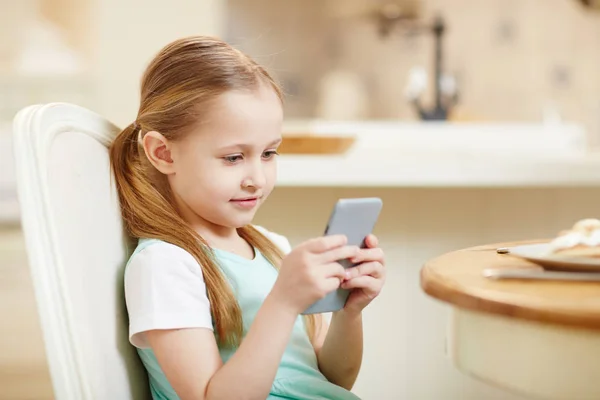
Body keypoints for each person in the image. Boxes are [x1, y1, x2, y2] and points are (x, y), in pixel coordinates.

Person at [109, 35, 386, 400]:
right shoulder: (165, 265)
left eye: (269, 153)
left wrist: (350, 313)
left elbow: (331, 382)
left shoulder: (273, 249)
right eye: (234, 157)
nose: (257, 177)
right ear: (163, 153)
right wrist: (283, 303)